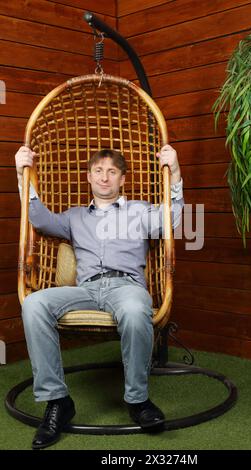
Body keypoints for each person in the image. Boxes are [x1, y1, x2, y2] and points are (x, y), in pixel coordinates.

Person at [15, 145, 184, 450]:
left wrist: (174, 172)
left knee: (135, 309)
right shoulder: (75, 216)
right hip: (86, 289)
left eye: (112, 172)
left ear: (122, 179)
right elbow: (38, 219)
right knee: (35, 303)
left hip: (126, 287)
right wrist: (21, 173)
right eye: (98, 171)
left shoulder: (139, 211)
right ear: (89, 177)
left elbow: (170, 222)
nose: (104, 177)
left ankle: (138, 400)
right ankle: (57, 402)